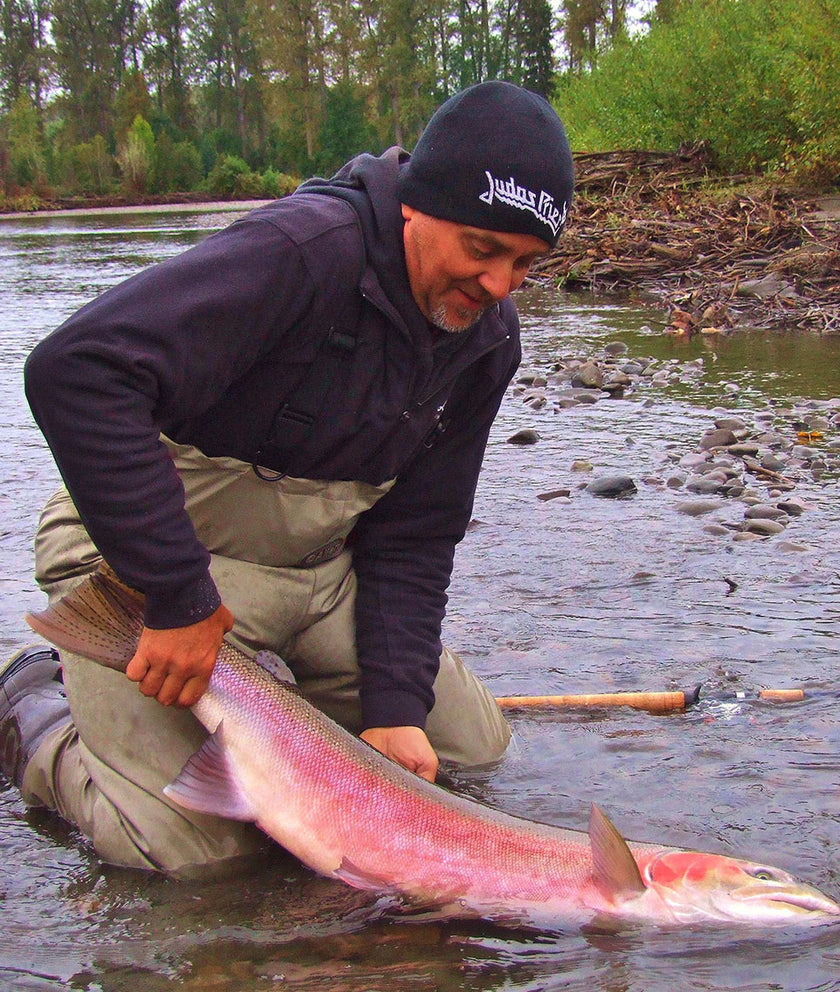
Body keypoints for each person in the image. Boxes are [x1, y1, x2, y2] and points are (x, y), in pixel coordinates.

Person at [0, 80, 574, 874]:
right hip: (144, 572)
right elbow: (76, 372)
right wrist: (175, 596)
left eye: (525, 263)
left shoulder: (484, 342)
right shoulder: (303, 252)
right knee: (192, 854)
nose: (500, 286)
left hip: (315, 582)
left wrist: (396, 710)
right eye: (482, 250)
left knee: (469, 753)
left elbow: (416, 534)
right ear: (416, 204)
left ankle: (278, 712)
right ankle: (36, 704)